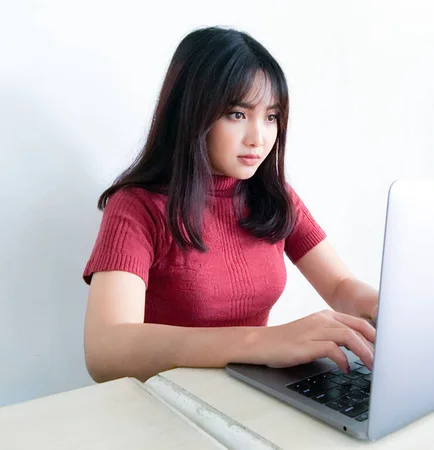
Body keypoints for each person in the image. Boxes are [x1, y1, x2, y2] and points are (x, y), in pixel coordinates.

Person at [82, 26, 378, 383]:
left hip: (253, 393)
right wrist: (263, 341)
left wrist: (389, 310)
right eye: (237, 114)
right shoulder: (136, 207)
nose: (259, 138)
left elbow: (340, 286)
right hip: (165, 405)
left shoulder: (273, 195)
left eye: (271, 117)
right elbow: (105, 349)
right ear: (190, 113)